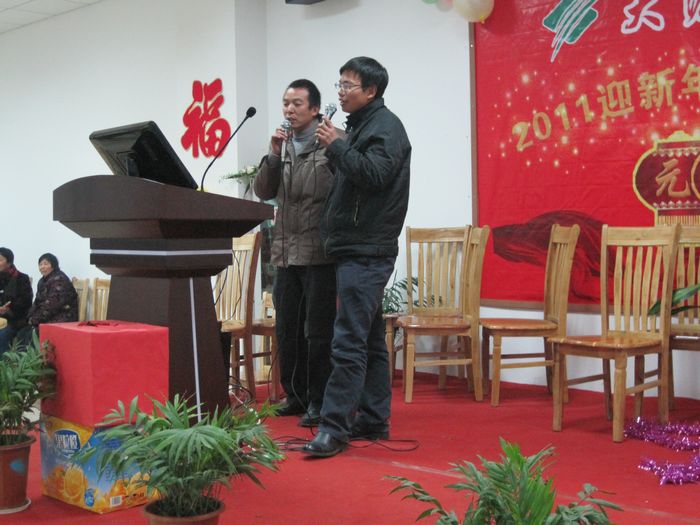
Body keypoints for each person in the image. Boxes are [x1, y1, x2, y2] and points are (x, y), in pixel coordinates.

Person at [303, 57, 411, 457]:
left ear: (371, 90)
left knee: (347, 339)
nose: (341, 92)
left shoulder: (386, 127)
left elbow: (375, 176)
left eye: (348, 85)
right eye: (340, 84)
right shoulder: (362, 126)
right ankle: (373, 418)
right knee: (368, 339)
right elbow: (356, 176)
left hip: (367, 249)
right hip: (356, 246)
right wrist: (338, 148)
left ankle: (334, 428)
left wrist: (338, 146)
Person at [254, 79, 338, 427]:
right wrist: (274, 154)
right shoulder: (282, 145)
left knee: (318, 332)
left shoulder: (331, 143)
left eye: (297, 104)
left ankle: (320, 400)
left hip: (319, 253)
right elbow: (263, 191)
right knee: (287, 329)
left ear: (315, 109)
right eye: (286, 103)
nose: (289, 110)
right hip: (286, 253)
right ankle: (295, 395)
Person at [26, 253, 79, 332]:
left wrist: (34, 320)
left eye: (46, 264)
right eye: (40, 264)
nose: (42, 267)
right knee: (24, 330)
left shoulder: (59, 279)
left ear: (53, 265)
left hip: (64, 315)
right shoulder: (42, 281)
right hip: (49, 315)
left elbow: (52, 305)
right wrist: (29, 317)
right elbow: (37, 302)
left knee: (33, 331)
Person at [0, 247, 33, 354]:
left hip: (16, 320)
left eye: (0, 260)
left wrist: (8, 309)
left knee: (2, 334)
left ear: (9, 262)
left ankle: (4, 362)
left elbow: (26, 302)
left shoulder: (22, 279)